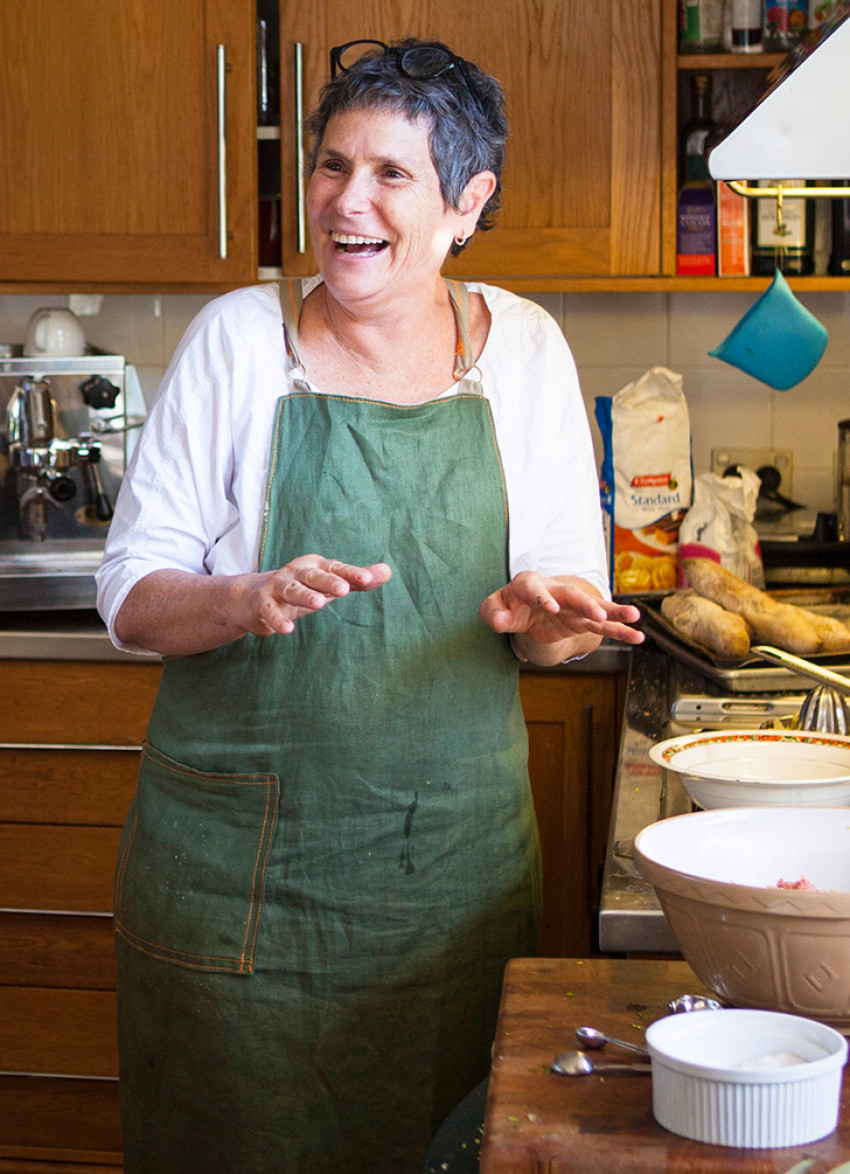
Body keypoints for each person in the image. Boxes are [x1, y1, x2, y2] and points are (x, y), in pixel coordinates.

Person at [96, 37, 643, 1174]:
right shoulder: (236, 344)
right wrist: (242, 597)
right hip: (237, 885)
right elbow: (130, 599)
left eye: (392, 173)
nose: (349, 201)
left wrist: (549, 612)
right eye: (332, 165)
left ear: (466, 203)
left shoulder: (525, 349)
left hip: (445, 878)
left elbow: (551, 622)